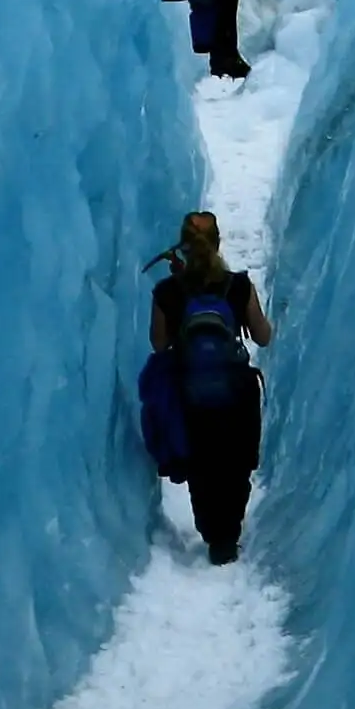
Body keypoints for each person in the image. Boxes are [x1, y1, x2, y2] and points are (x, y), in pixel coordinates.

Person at [149, 210, 274, 563]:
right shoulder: (238, 286)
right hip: (237, 392)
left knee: (202, 466)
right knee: (236, 464)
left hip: (190, 392)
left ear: (183, 248)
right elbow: (262, 337)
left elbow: (158, 344)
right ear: (218, 242)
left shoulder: (167, 291)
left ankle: (210, 530)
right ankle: (227, 537)